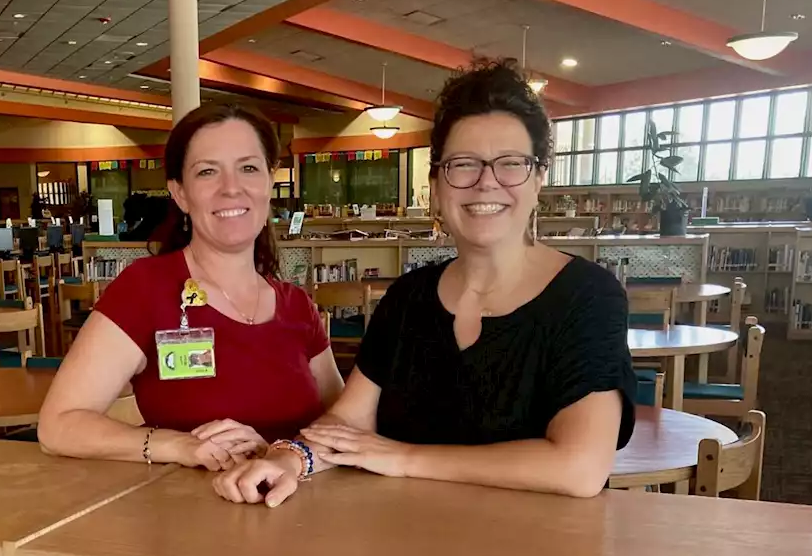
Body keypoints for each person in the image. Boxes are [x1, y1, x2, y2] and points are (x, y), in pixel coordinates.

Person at [215, 60, 637, 506]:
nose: (485, 183)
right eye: (463, 165)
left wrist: (405, 458)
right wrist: (289, 459)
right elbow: (348, 424)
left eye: (510, 164)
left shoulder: (588, 296)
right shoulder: (408, 299)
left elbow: (579, 467)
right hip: (404, 553)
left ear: (539, 178)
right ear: (437, 183)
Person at [38, 102, 343, 470]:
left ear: (268, 181)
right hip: (186, 518)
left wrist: (281, 455)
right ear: (180, 194)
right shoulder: (145, 289)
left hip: (298, 516)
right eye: (208, 172)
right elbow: (59, 425)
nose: (231, 189)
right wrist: (180, 446)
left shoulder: (297, 306)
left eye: (248, 168)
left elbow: (341, 425)